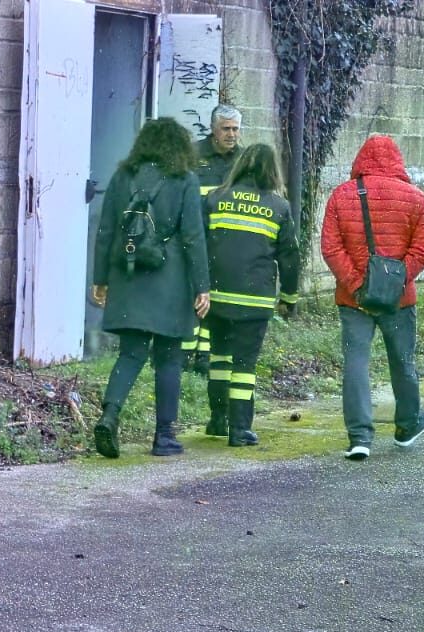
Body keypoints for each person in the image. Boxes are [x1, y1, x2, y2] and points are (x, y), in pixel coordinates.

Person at [90, 117, 211, 459]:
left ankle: (109, 415)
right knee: (170, 359)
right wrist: (202, 286)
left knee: (130, 354)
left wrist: (100, 280)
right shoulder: (184, 180)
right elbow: (192, 237)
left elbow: (106, 231)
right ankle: (164, 437)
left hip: (127, 277)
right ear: (180, 147)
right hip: (170, 280)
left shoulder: (122, 177)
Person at [320, 134, 424, 461]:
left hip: (353, 299)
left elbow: (331, 248)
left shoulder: (341, 196)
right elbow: (423, 250)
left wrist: (357, 285)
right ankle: (407, 426)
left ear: (360, 160)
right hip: (398, 300)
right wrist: (395, 281)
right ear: (398, 160)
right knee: (403, 361)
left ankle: (359, 437)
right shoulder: (416, 199)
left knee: (356, 362)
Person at [203, 143, 299, 446]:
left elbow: (199, 244)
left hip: (216, 296)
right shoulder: (278, 206)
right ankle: (240, 428)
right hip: (254, 300)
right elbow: (290, 257)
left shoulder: (215, 198)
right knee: (244, 364)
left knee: (218, 357)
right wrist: (289, 296)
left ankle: (218, 420)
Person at [183, 103, 244, 373]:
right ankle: (185, 351)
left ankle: (205, 355)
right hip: (197, 235)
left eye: (235, 129)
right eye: (226, 129)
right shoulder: (193, 155)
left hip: (228, 240)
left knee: (217, 296)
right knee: (193, 292)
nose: (231, 134)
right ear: (213, 129)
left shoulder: (244, 160)